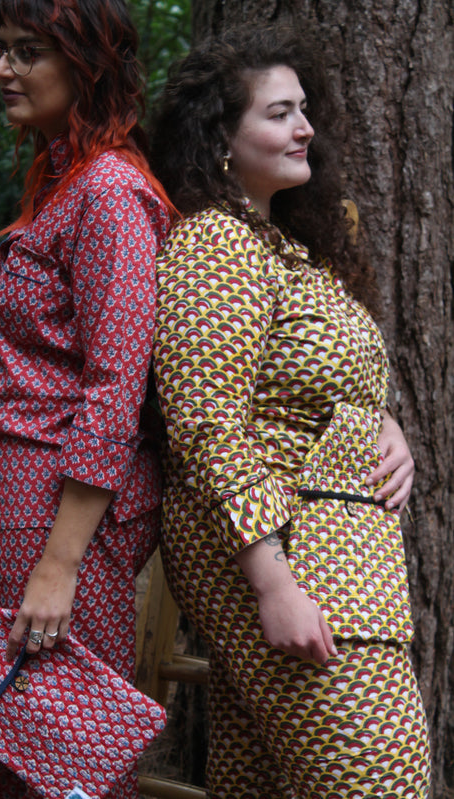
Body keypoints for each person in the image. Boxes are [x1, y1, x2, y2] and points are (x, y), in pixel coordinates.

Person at [151, 24, 431, 799]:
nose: (304, 126)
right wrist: (270, 579)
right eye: (278, 113)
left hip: (343, 557)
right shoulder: (214, 244)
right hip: (288, 561)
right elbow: (205, 424)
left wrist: (378, 421)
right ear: (218, 138)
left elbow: (313, 382)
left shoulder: (292, 250)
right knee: (378, 779)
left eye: (303, 109)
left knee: (262, 781)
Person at [0, 1, 172, 797]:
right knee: (5, 740)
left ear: (87, 66)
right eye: (0, 50)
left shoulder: (109, 191)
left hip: (62, 521)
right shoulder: (64, 178)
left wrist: (58, 564)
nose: (1, 69)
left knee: (65, 758)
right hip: (18, 509)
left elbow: (115, 387)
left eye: (26, 52)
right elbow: (31, 371)